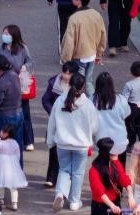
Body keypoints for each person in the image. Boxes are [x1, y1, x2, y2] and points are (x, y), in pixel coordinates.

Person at [46, 74, 99, 212]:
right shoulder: (88, 104)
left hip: (62, 143)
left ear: (69, 84)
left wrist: (50, 140)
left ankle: (60, 193)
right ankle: (74, 201)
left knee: (63, 170)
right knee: (77, 173)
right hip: (81, 145)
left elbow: (52, 122)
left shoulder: (60, 100)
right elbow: (95, 126)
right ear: (83, 88)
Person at [42, 60, 81, 188]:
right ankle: (51, 177)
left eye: (69, 73)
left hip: (71, 124)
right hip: (56, 122)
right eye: (64, 72)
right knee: (53, 149)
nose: (65, 76)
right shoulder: (54, 83)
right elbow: (45, 100)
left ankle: (64, 177)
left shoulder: (79, 85)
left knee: (68, 151)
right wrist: (53, 111)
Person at [60, 0, 107, 94]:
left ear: (78, 0)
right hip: (92, 54)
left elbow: (69, 41)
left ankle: (79, 105)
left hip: (79, 56)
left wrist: (66, 59)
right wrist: (99, 54)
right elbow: (102, 35)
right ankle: (93, 103)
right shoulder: (96, 14)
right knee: (89, 81)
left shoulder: (74, 18)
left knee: (77, 83)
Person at [0, 25, 36, 151]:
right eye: (4, 33)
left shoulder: (22, 48)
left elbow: (30, 62)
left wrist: (25, 67)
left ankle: (28, 140)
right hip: (6, 83)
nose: (5, 36)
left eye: (7, 33)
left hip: (20, 83)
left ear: (14, 35)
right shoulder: (1, 49)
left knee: (25, 112)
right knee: (8, 112)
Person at [0, 123, 28, 211]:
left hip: (0, 165)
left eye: (3, 131)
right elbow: (18, 154)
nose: (1, 132)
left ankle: (1, 201)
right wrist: (16, 164)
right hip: (12, 165)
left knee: (0, 183)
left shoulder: (0, 143)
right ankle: (14, 203)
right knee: (13, 185)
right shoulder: (15, 143)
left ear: (7, 134)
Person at [89, 137, 135, 215]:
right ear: (106, 153)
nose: (117, 153)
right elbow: (100, 192)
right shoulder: (94, 170)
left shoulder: (115, 163)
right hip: (100, 205)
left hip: (115, 202)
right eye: (113, 152)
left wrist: (130, 196)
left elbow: (124, 180)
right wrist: (112, 206)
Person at [0, 54, 24, 150]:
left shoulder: (1, 82)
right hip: (19, 113)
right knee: (17, 145)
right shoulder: (14, 75)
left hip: (6, 117)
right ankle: (18, 165)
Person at [93, 72, 132, 157]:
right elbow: (127, 114)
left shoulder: (92, 100)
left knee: (103, 167)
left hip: (101, 143)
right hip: (120, 141)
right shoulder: (121, 99)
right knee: (119, 168)